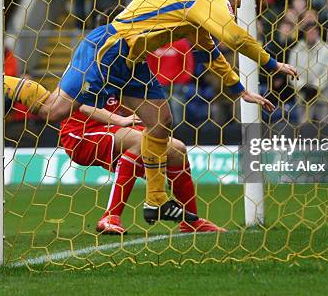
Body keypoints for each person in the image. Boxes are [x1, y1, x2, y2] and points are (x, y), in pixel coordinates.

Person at [0, 0, 299, 224]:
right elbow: (233, 36)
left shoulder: (195, 8)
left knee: (161, 122)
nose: (236, 7)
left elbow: (212, 51)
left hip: (133, 58)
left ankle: (157, 202)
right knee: (54, 110)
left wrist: (239, 90)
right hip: (108, 47)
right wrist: (272, 65)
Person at [61, 94, 224, 234]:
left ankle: (191, 221)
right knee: (141, 142)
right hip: (81, 134)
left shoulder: (126, 67)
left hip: (113, 128)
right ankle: (110, 217)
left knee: (177, 150)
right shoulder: (89, 64)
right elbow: (83, 105)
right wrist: (121, 120)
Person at [289, 22, 328, 123]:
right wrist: (303, 86)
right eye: (308, 32)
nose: (311, 34)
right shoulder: (296, 50)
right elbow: (291, 72)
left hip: (322, 96)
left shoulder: (327, 49)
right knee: (304, 127)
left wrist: (316, 87)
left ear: (318, 33)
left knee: (323, 127)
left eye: (314, 31)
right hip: (303, 96)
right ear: (304, 33)